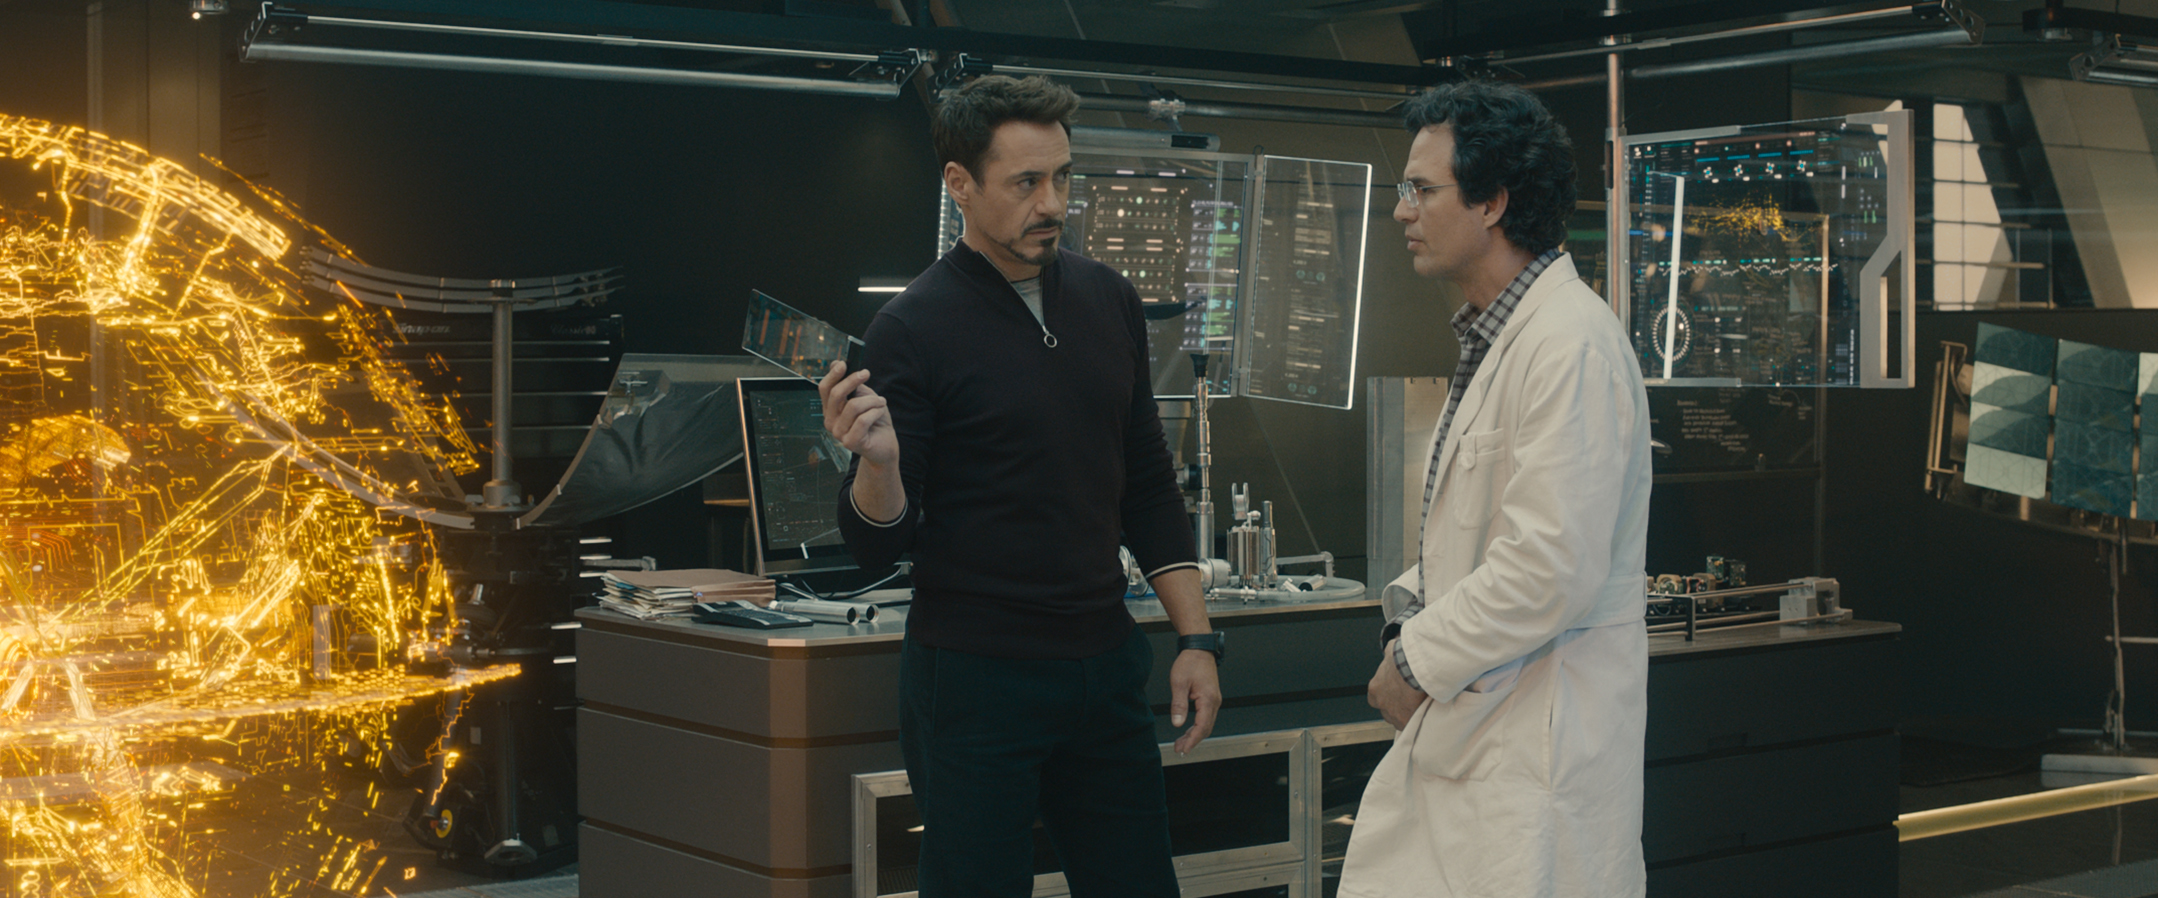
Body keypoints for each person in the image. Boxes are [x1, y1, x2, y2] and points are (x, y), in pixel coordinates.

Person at [816, 74, 1223, 898]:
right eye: (1027, 182)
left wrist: (1197, 639)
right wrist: (879, 464)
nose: (1053, 204)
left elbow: (1146, 482)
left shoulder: (1109, 299)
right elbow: (878, 543)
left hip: (1103, 664)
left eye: (1063, 177)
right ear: (959, 184)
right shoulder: (911, 327)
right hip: (975, 677)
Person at [1339, 80, 1653, 898]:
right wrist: (1409, 622)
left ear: (1492, 202)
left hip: (1535, 755)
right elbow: (1476, 544)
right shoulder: (1505, 335)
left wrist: (1415, 660)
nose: (1402, 210)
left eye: (1422, 189)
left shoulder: (1569, 345)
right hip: (1487, 738)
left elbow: (1547, 568)